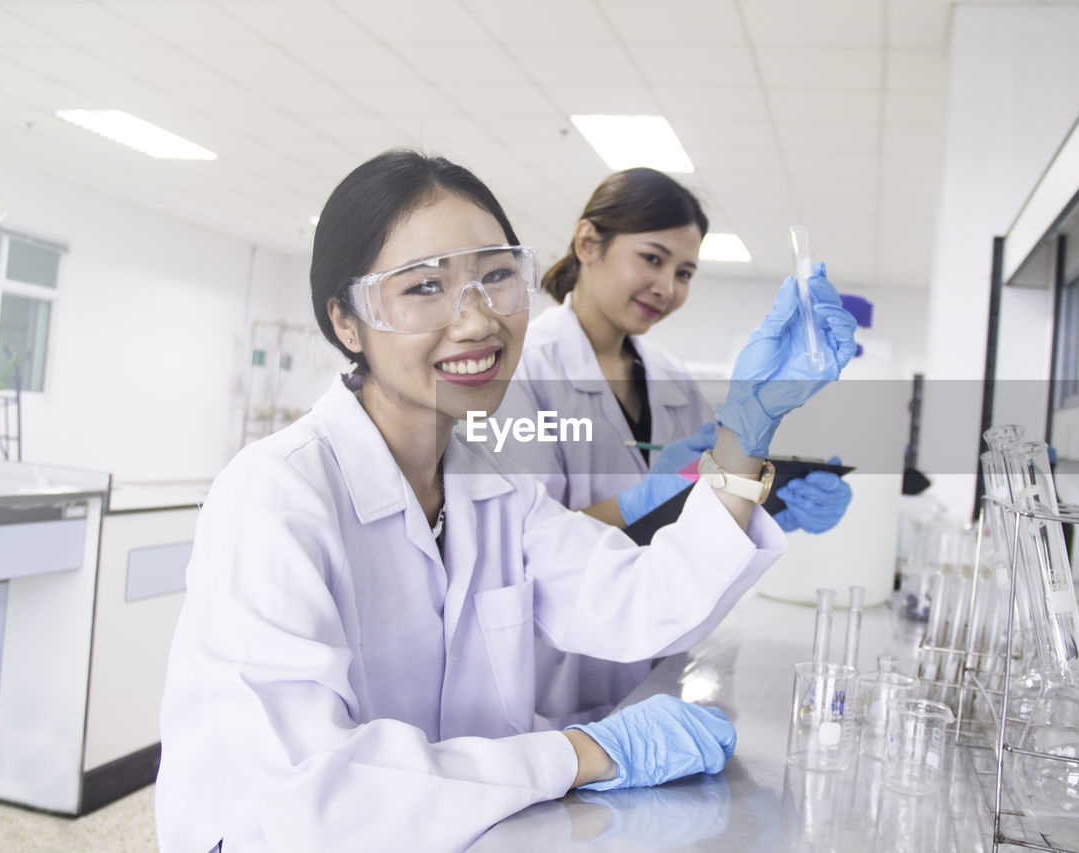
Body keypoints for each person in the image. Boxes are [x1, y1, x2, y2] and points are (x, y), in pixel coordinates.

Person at [154, 150, 857, 852]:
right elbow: (323, 797)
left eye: (495, 277)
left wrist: (747, 429)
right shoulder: (275, 497)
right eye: (425, 286)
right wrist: (579, 751)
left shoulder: (493, 490)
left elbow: (644, 599)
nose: (477, 320)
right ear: (346, 320)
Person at [492, 168, 853, 726]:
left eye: (684, 272)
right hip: (550, 682)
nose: (669, 287)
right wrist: (644, 502)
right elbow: (516, 548)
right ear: (589, 244)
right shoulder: (523, 371)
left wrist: (768, 506)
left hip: (655, 674)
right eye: (653, 259)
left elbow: (706, 506)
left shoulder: (675, 382)